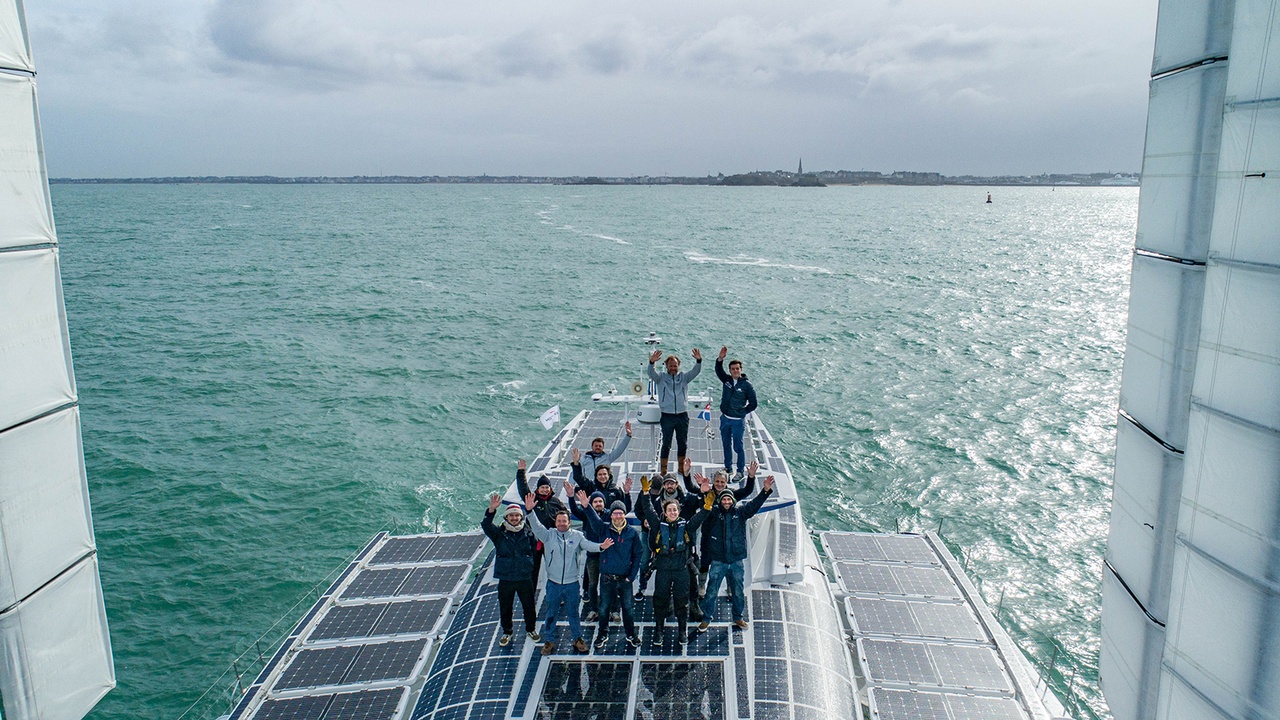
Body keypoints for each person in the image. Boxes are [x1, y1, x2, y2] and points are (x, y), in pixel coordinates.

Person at [525, 492, 613, 655]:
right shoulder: (548, 535)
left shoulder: (577, 536)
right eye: (558, 521)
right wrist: (529, 512)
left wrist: (601, 546)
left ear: (569, 522)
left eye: (564, 521)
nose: (561, 523)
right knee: (551, 613)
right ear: (555, 522)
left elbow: (588, 545)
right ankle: (549, 641)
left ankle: (577, 638)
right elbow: (536, 526)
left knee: (573, 613)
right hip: (553, 583)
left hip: (572, 583)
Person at [638, 475, 712, 644]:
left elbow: (700, 517)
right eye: (669, 510)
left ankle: (682, 631)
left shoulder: (686, 526)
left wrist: (707, 507)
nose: (672, 512)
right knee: (660, 599)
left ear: (679, 512)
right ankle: (659, 630)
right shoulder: (658, 525)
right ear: (664, 512)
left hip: (681, 571)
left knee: (682, 601)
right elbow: (648, 509)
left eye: (675, 510)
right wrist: (645, 493)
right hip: (663, 570)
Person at [699, 475, 774, 631]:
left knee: (738, 592)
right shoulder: (713, 514)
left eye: (729, 500)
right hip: (718, 561)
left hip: (736, 562)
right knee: (711, 591)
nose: (726, 502)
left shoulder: (741, 513)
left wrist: (765, 491)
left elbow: (755, 505)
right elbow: (704, 507)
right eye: (724, 500)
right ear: (720, 502)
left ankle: (738, 617)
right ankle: (706, 618)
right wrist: (705, 493)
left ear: (733, 501)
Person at [692, 461, 760, 599]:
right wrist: (697, 484)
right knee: (705, 561)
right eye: (717, 481)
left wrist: (751, 477)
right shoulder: (707, 492)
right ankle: (702, 585)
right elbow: (691, 489)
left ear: (726, 483)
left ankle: (730, 587)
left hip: (725, 537)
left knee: (728, 563)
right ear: (713, 482)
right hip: (708, 535)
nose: (719, 484)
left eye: (722, 482)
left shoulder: (731, 495)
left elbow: (747, 491)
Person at [480, 494, 540, 647]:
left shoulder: (528, 532)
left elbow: (534, 549)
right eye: (511, 515)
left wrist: (527, 565)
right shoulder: (499, 534)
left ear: (521, 517)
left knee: (529, 606)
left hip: (524, 577)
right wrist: (491, 510)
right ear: (506, 517)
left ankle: (531, 629)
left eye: (517, 515)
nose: (514, 518)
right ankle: (507, 631)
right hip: (506, 578)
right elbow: (486, 525)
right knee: (505, 607)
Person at [585, 500, 645, 648]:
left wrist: (631, 576)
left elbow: (638, 554)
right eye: (615, 513)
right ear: (611, 515)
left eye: (620, 513)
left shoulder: (632, 533)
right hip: (606, 579)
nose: (618, 516)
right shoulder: (603, 529)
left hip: (624, 580)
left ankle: (631, 634)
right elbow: (594, 519)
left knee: (628, 609)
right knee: (604, 608)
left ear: (624, 514)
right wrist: (586, 506)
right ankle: (602, 634)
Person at [647, 347, 702, 476]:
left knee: (682, 443)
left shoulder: (684, 377)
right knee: (666, 444)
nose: (673, 368)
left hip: (682, 416)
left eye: (675, 365)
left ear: (679, 365)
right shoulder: (660, 378)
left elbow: (696, 371)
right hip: (667, 416)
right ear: (666, 366)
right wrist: (651, 362)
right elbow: (651, 373)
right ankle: (663, 470)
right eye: (670, 365)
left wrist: (699, 360)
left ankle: (681, 468)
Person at [515, 459, 567, 591]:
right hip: (534, 541)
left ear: (550, 488)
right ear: (537, 489)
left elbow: (566, 516)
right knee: (533, 569)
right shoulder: (532, 499)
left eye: (546, 487)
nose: (544, 490)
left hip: (552, 540)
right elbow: (523, 488)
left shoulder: (556, 502)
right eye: (542, 487)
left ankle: (558, 592)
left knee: (556, 567)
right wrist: (521, 472)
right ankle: (530, 594)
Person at [566, 485, 608, 620]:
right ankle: (593, 609)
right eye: (595, 501)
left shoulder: (609, 514)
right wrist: (571, 497)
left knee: (610, 585)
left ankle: (612, 610)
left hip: (608, 556)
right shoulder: (586, 514)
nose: (598, 504)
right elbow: (574, 510)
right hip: (593, 557)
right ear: (591, 503)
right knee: (592, 584)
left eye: (600, 501)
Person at [715, 346, 758, 477]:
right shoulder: (726, 380)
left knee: (738, 447)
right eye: (733, 369)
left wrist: (742, 411)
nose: (735, 371)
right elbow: (718, 370)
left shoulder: (747, 385)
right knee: (726, 444)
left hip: (737, 421)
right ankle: (728, 467)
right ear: (730, 370)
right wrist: (720, 359)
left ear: (741, 370)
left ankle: (740, 471)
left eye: (737, 368)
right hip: (725, 419)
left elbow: (754, 403)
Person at [570, 447, 632, 512]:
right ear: (596, 476)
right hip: (593, 519)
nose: (602, 476)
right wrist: (576, 464)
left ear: (609, 475)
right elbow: (579, 478)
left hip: (610, 520)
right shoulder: (591, 486)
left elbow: (626, 509)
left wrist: (627, 493)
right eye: (600, 474)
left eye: (605, 474)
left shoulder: (616, 490)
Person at [575, 422, 633, 489]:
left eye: (600, 446)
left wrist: (628, 435)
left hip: (604, 487)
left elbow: (620, 449)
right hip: (589, 487)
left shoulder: (608, 458)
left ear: (603, 448)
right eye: (596, 446)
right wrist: (573, 485)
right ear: (592, 447)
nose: (598, 447)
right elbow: (577, 473)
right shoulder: (584, 459)